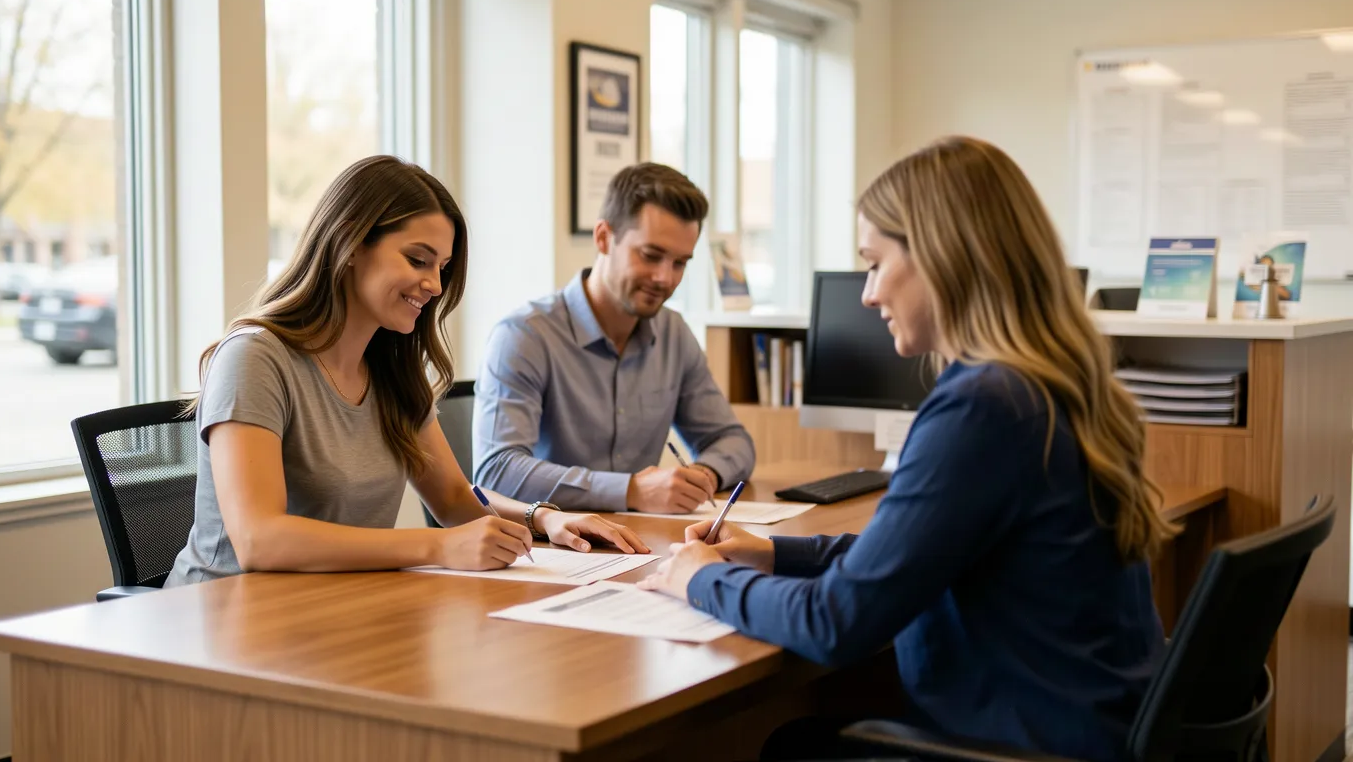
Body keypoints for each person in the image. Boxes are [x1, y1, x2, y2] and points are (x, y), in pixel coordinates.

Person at [638, 137, 1175, 762]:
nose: (868, 294)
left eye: (875, 263)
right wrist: (772, 552)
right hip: (1087, 728)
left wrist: (702, 579)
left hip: (1026, 745)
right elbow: (914, 554)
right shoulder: (1052, 384)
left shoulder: (984, 405)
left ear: (942, 257)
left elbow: (836, 622)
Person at [166, 155, 646, 587]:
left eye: (442, 267)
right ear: (350, 242)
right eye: (418, 260)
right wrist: (438, 546)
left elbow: (454, 499)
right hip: (223, 619)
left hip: (331, 609)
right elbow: (260, 540)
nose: (434, 285)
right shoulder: (254, 358)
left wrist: (543, 519)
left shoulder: (389, 368)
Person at [472, 163, 755, 514]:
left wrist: (702, 476)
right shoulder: (524, 336)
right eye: (650, 256)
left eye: (680, 263)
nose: (665, 279)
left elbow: (734, 442)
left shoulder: (674, 334)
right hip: (548, 543)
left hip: (644, 538)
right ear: (604, 237)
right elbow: (496, 473)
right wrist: (630, 491)